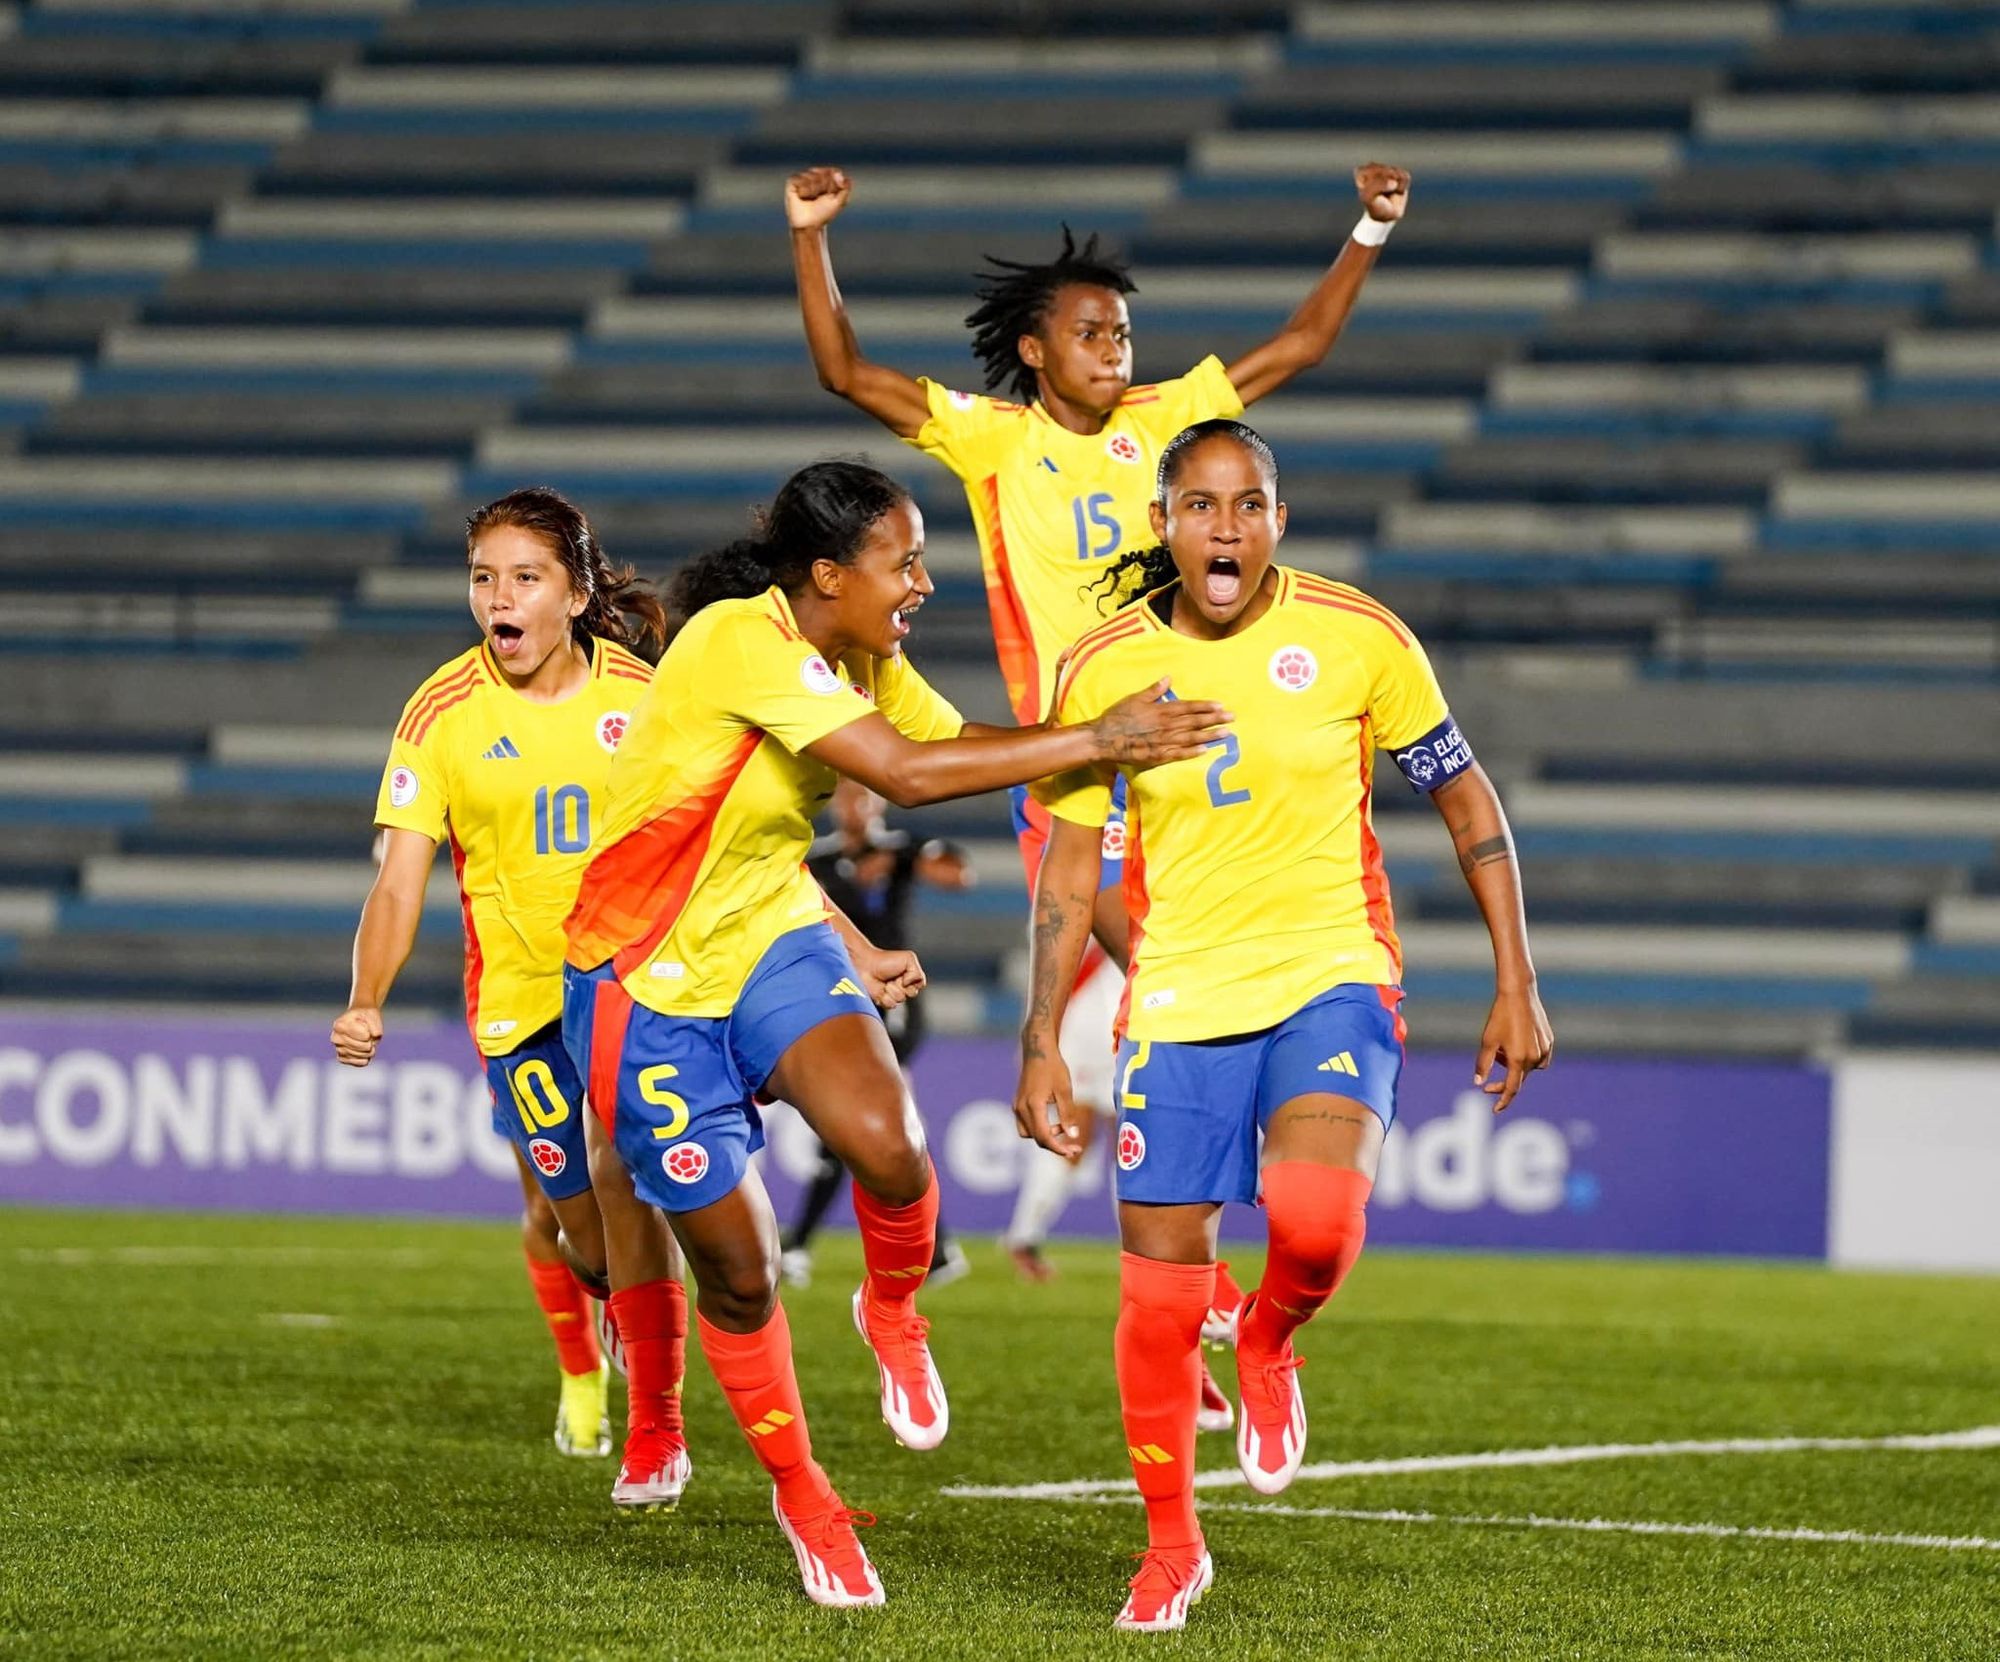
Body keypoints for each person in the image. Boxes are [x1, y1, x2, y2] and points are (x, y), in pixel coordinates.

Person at [558, 458, 1229, 1609]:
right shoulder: (735, 640)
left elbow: (954, 738)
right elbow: (909, 775)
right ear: (825, 574)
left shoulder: (862, 653)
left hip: (772, 936)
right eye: (900, 561)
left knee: (890, 1145)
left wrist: (1083, 738)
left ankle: (893, 1309)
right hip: (641, 980)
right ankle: (805, 1497)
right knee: (735, 1271)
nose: (920, 581)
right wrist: (1097, 740)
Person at [786, 158, 1410, 1340]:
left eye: (1121, 329)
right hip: (1076, 759)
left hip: (1186, 754)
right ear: (1034, 349)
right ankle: (1202, 1270)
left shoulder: (1168, 418)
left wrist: (1368, 229)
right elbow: (842, 372)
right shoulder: (991, 440)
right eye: (1088, 332)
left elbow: (1297, 348)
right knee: (1161, 972)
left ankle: (1234, 1225)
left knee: (1202, 976)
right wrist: (808, 237)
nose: (1113, 348)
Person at [1013, 421, 1553, 1632]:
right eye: (1198, 505)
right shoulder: (1105, 669)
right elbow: (1062, 870)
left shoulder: (1359, 637)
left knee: (1313, 1225)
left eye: (1246, 504)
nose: (1223, 527)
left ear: (1277, 519)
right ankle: (1169, 1548)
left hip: (1331, 972)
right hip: (1182, 997)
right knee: (1154, 1304)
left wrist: (1514, 975)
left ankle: (1266, 1337)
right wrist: (1042, 1035)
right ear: (1162, 522)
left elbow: (1461, 792)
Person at [331, 487, 696, 1510]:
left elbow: (708, 831)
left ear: (575, 594)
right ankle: (610, 1315)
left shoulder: (642, 692)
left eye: (525, 577)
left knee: (623, 1181)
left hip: (630, 982)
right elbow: (400, 878)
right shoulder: (440, 710)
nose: (500, 597)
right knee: (576, 1230)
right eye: (483, 578)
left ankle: (655, 1432)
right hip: (520, 1006)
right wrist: (366, 998)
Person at [779, 777, 973, 1290]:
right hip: (837, 996)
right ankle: (937, 1250)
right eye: (845, 797)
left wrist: (919, 860)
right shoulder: (813, 860)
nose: (854, 807)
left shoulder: (903, 849)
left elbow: (957, 875)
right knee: (883, 1130)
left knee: (851, 1123)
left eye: (863, 797)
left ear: (879, 803)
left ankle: (796, 1246)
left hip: (893, 1002)